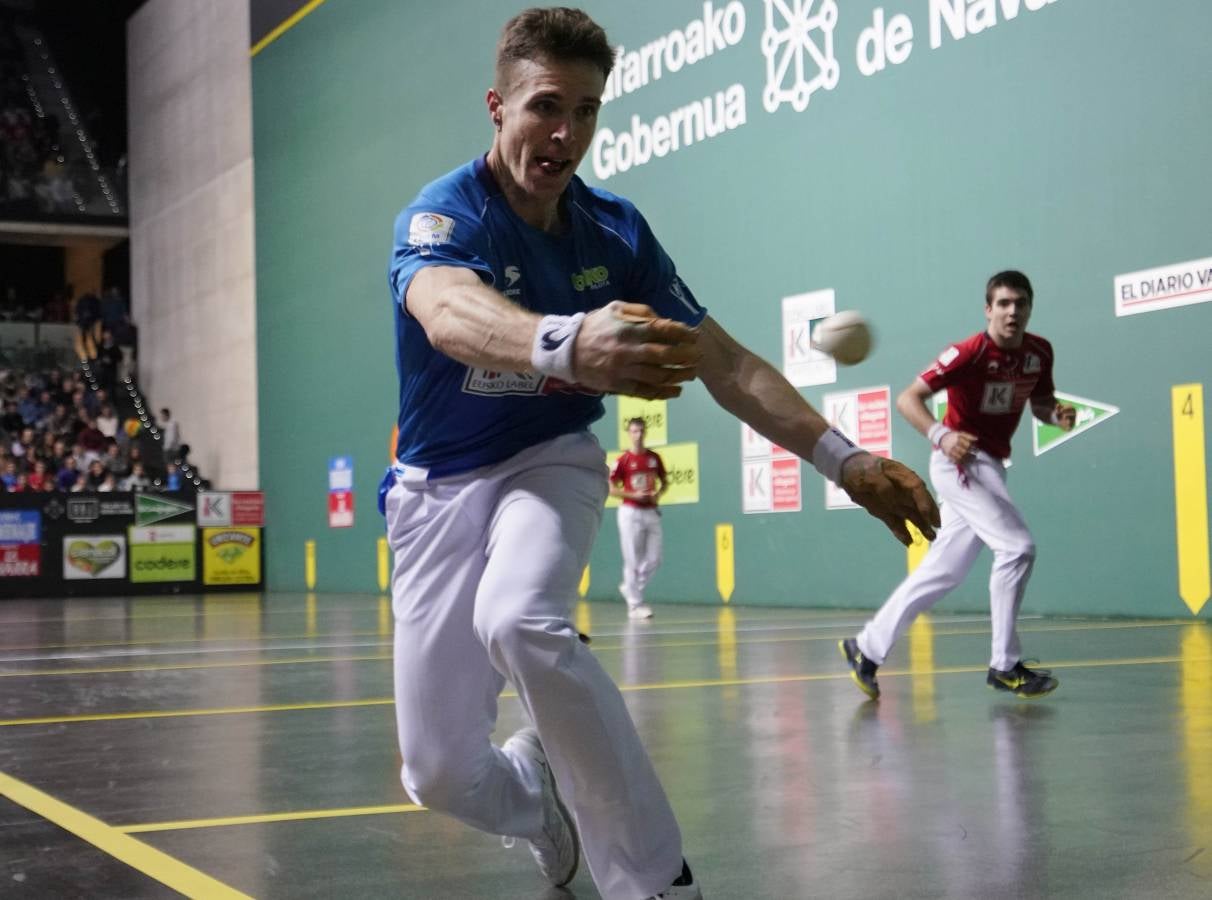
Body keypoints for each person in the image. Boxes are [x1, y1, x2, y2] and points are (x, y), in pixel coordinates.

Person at [381, 9, 939, 900]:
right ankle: (541, 803)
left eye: (588, 111)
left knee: (520, 618)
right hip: (435, 490)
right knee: (438, 775)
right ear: (498, 105)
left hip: (547, 462)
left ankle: (653, 878)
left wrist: (846, 460)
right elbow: (449, 313)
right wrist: (566, 346)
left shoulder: (617, 234)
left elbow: (728, 365)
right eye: (545, 106)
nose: (565, 134)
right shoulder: (443, 217)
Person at [840, 271, 1076, 702]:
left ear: (1029, 307)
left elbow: (1040, 402)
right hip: (959, 464)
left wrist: (1055, 414)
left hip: (990, 467)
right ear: (988, 309)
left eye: (1020, 303)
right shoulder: (967, 353)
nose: (1012, 311)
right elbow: (908, 399)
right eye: (1003, 303)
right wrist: (941, 435)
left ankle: (866, 648)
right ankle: (1004, 665)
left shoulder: (1039, 352)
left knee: (943, 570)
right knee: (1017, 548)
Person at [609, 417, 667, 620]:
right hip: (630, 512)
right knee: (632, 560)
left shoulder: (654, 458)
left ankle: (630, 588)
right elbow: (611, 488)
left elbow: (664, 482)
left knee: (654, 559)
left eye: (641, 431)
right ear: (629, 434)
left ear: (645, 432)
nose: (638, 435)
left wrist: (657, 495)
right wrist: (634, 495)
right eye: (634, 431)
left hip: (651, 512)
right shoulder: (622, 460)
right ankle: (635, 605)